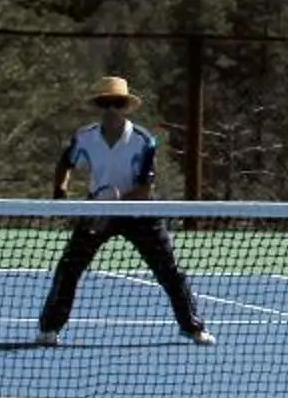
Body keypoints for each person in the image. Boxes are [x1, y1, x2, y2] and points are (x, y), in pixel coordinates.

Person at [32, 75, 211, 348]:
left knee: (170, 270)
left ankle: (193, 328)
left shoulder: (143, 141)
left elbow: (145, 187)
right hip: (97, 212)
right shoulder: (85, 137)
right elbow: (64, 164)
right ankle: (49, 328)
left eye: (117, 103)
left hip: (139, 213)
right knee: (69, 267)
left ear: (126, 106)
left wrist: (117, 202)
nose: (112, 110)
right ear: (99, 107)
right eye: (106, 104)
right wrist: (61, 193)